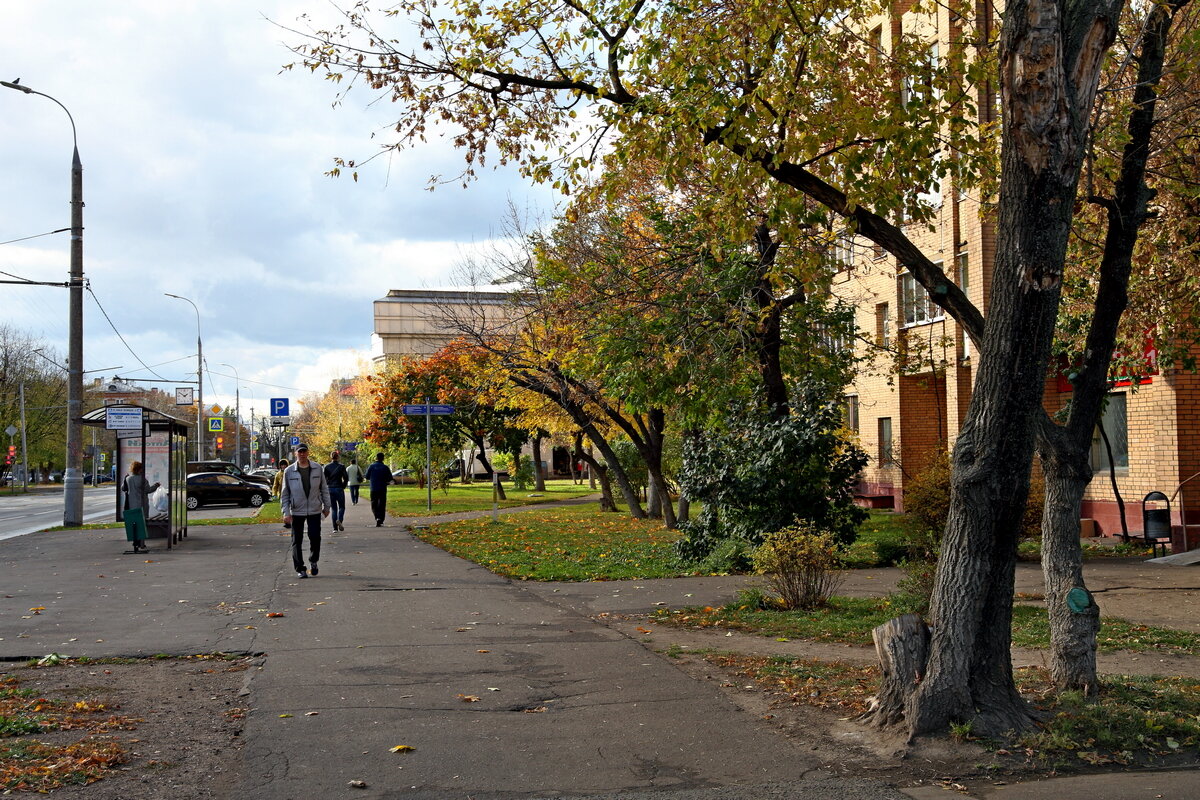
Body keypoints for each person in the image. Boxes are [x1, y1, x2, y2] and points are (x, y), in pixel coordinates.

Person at [280, 444, 330, 579]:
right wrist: (286, 512)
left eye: (304, 451)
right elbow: (285, 494)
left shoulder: (317, 468)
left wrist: (327, 507)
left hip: (314, 508)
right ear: (295, 453)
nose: (302, 454)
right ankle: (300, 568)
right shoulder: (289, 471)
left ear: (308, 453)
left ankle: (313, 561)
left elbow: (324, 488)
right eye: (299, 452)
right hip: (297, 510)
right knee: (297, 540)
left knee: (315, 537)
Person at [122, 461, 159, 554]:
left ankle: (135, 541)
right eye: (142, 468)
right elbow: (148, 490)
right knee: (141, 524)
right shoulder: (143, 479)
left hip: (131, 505)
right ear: (139, 469)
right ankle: (141, 543)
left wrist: (125, 478)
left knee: (134, 524)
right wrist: (156, 485)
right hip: (142, 505)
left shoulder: (128, 479)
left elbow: (123, 488)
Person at [365, 452, 392, 527]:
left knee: (374, 503)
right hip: (382, 488)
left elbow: (367, 476)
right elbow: (390, 478)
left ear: (376, 458)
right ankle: (381, 519)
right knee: (382, 504)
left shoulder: (371, 466)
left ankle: (377, 517)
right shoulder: (385, 467)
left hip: (373, 488)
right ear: (383, 458)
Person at [324, 451, 349, 531]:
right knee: (342, 507)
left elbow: (324, 479)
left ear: (331, 457)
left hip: (330, 488)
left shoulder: (326, 467)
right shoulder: (341, 466)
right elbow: (346, 477)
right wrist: (343, 486)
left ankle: (335, 528)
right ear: (338, 457)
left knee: (334, 509)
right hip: (339, 488)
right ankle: (340, 520)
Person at [271, 459, 290, 532]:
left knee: (290, 508)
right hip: (282, 494)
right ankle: (287, 521)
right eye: (282, 465)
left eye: (284, 465)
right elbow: (275, 485)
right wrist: (274, 494)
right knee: (284, 509)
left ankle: (289, 521)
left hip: (291, 493)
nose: (283, 466)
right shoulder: (278, 474)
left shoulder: (290, 472)